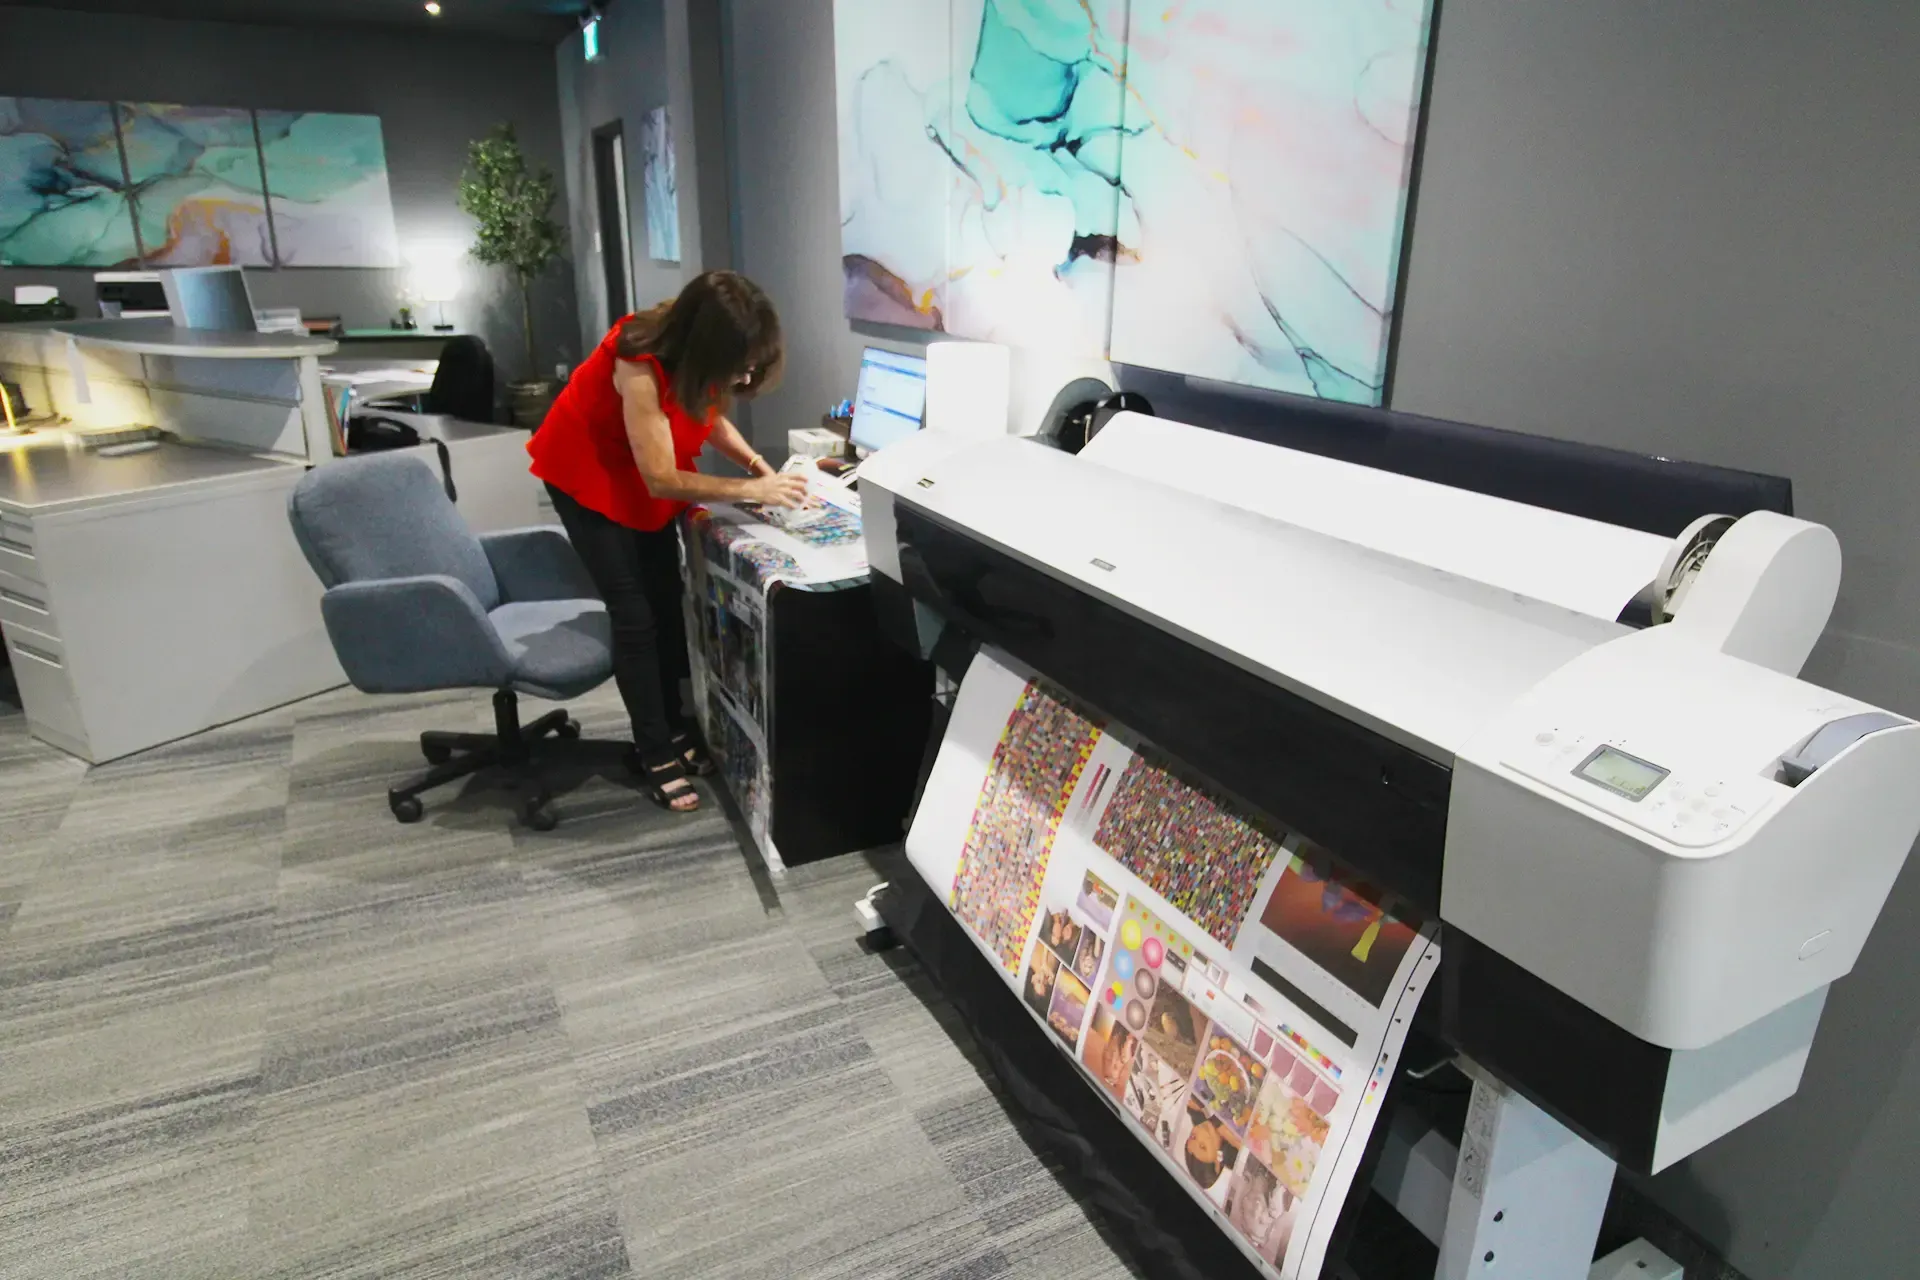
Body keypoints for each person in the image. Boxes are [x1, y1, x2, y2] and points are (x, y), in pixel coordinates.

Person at [528, 271, 807, 812]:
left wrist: (755, 464)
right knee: (634, 613)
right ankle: (653, 747)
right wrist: (752, 488)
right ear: (709, 347)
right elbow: (659, 477)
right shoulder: (639, 361)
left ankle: (676, 725)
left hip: (644, 467)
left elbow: (707, 413)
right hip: (588, 472)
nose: (746, 374)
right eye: (741, 365)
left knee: (665, 596)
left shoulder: (697, 350)